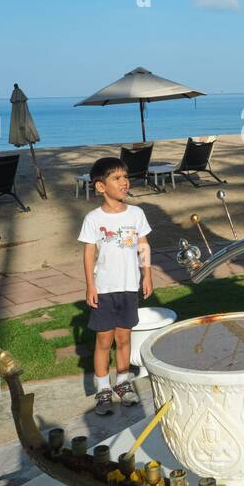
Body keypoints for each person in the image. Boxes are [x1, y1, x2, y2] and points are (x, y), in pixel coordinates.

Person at [79, 157, 153, 415]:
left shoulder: (136, 214)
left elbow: (143, 245)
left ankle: (122, 383)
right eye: (117, 178)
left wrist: (148, 274)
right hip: (105, 289)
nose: (124, 182)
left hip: (129, 287)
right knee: (103, 340)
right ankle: (102, 389)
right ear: (101, 187)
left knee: (124, 338)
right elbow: (89, 254)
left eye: (125, 176)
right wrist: (90, 286)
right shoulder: (93, 218)